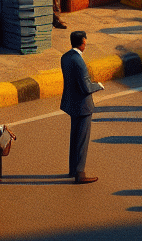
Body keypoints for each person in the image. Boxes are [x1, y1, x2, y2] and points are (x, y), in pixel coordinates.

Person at [60, 30, 104, 184]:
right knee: (82, 140)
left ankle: (73, 169)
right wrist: (97, 86)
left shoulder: (65, 57)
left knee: (75, 138)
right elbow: (86, 87)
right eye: (85, 41)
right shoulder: (79, 61)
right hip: (83, 105)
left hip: (71, 103)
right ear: (82, 42)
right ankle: (80, 173)